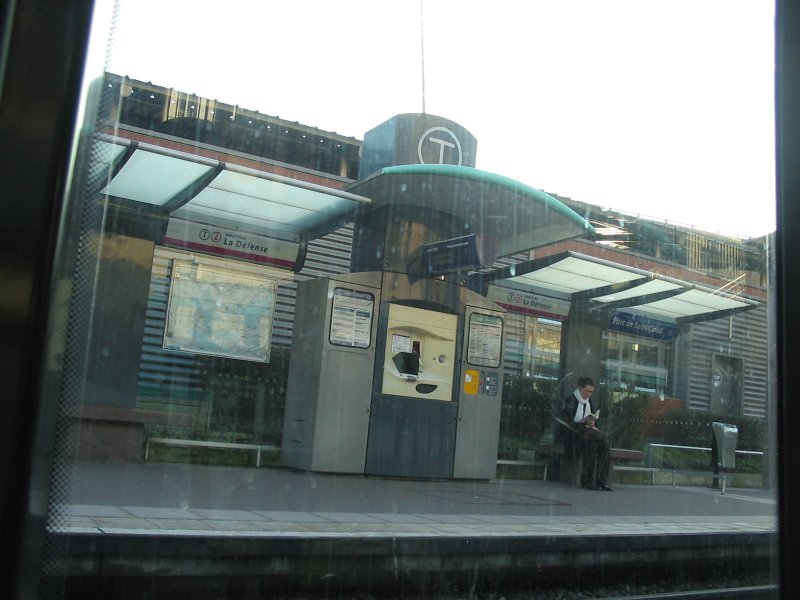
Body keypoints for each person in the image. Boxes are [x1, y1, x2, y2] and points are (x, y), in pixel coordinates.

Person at [561, 376, 612, 491]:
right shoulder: (570, 401)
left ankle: (600, 481)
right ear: (580, 388)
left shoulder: (590, 403)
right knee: (596, 442)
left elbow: (592, 418)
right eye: (587, 391)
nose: (589, 394)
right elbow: (566, 423)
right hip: (574, 436)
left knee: (601, 445)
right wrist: (583, 423)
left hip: (587, 435)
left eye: (591, 392)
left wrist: (592, 424)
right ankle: (589, 481)